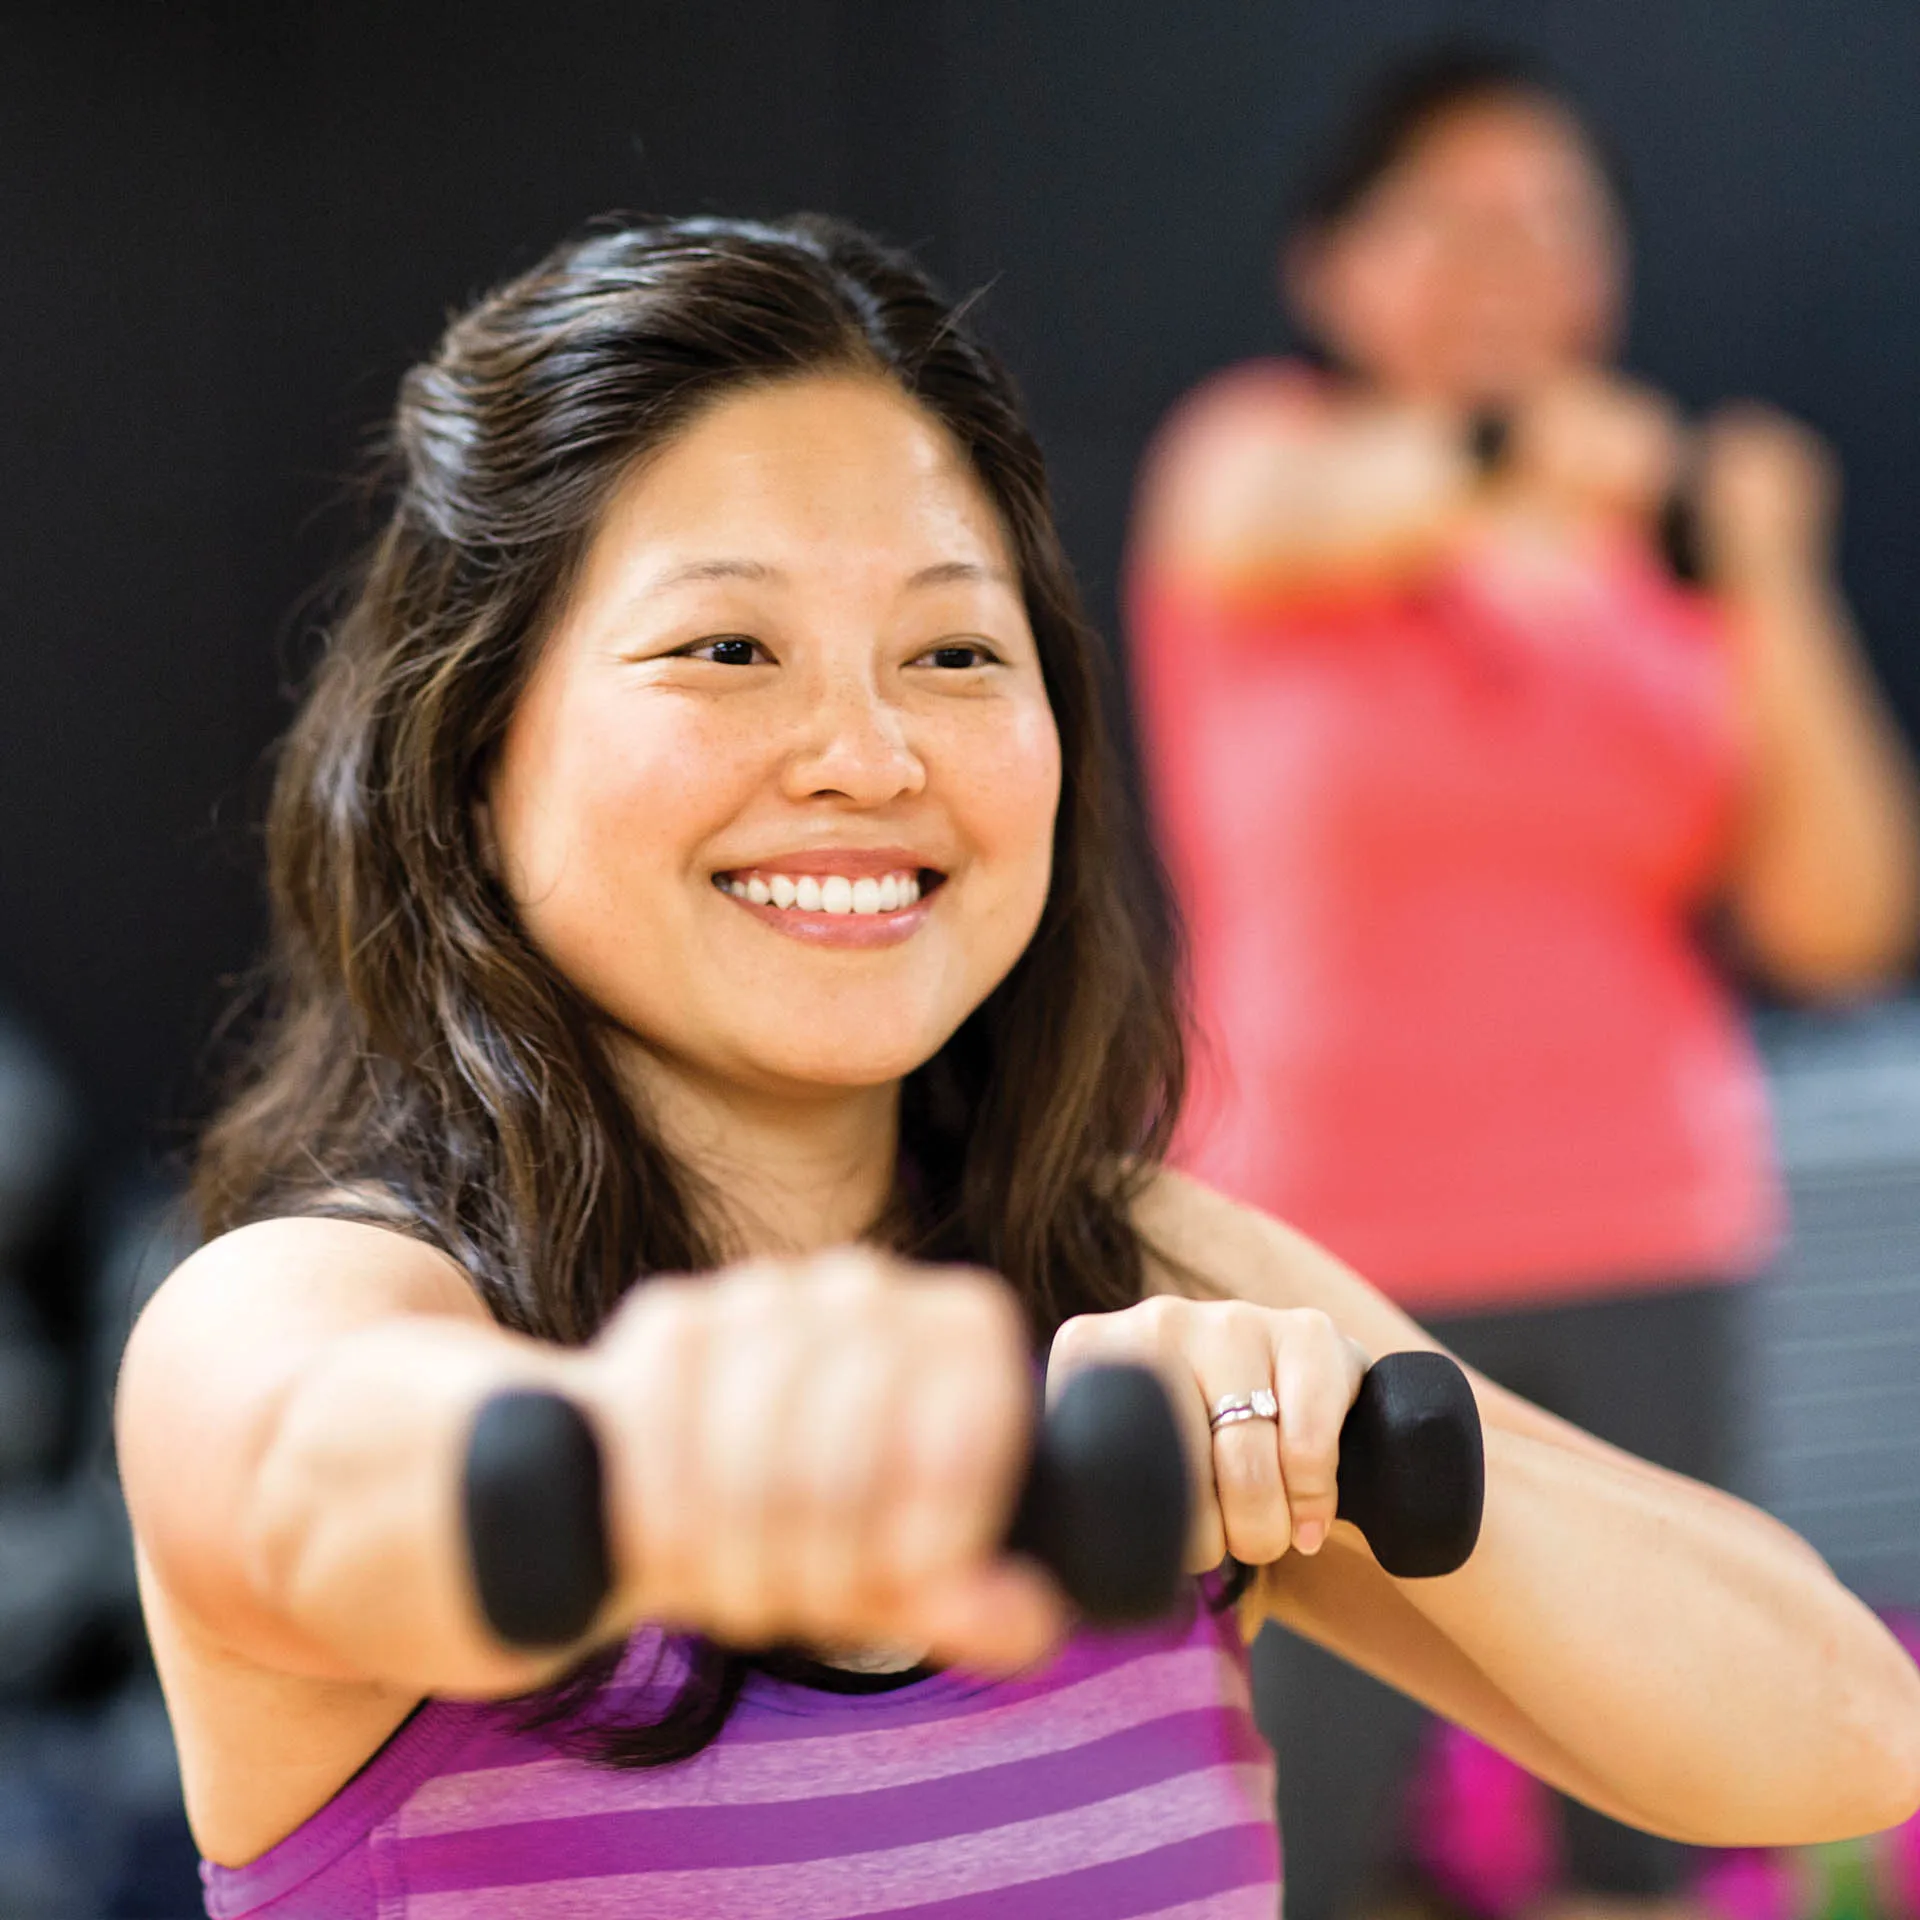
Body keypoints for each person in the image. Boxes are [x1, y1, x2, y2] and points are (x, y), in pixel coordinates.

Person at [111, 214, 1919, 1920]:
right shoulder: (296, 1310)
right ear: (472, 755)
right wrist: (674, 1452)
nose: (869, 753)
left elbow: (1841, 1733)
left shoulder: (1138, 1279)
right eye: (727, 649)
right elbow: (326, 1482)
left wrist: (1325, 1418)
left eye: (957, 652)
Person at [1125, 46, 1920, 1920]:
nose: (1506, 260)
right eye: (1449, 215)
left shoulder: (1672, 570)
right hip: (1317, 1255)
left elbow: (1841, 914)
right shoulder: (1250, 459)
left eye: (1553, 219)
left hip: (1648, 1229)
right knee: (1290, 1817)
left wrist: (1769, 569)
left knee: (1644, 1824)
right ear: (1332, 269)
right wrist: (1545, 458)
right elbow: (1304, 516)